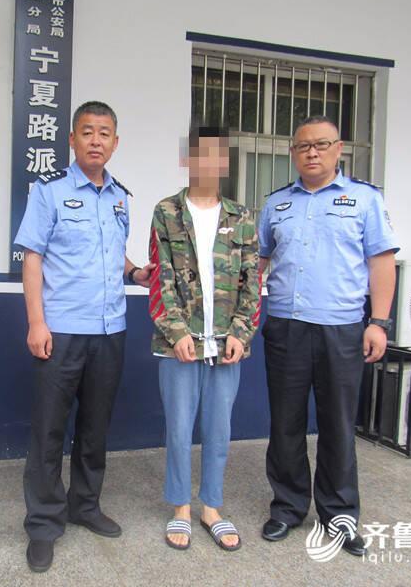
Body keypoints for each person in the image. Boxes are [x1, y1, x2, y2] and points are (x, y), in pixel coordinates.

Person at [14, 101, 154, 573]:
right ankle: (43, 524)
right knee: (49, 430)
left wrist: (134, 272)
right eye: (88, 131)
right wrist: (36, 322)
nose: (96, 140)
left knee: (95, 428)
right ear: (72, 139)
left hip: (110, 330)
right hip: (62, 332)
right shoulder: (49, 191)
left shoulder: (120, 198)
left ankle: (85, 505)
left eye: (105, 133)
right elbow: (32, 257)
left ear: (116, 142)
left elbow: (114, 252)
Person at [258, 116, 398, 555]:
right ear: (293, 153)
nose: (312, 152)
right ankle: (287, 507)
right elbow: (258, 261)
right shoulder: (276, 204)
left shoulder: (365, 200)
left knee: (338, 425)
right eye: (303, 146)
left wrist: (378, 322)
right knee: (285, 423)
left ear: (339, 150)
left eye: (321, 144)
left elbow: (381, 263)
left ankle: (339, 515)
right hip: (286, 326)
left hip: (342, 328)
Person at [148, 126, 261, 552]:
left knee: (219, 430)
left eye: (218, 156)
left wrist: (241, 334)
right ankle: (180, 507)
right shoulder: (167, 211)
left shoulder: (241, 217)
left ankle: (211, 507)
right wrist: (177, 331)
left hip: (226, 345)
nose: (209, 164)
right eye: (201, 155)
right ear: (187, 160)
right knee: (179, 430)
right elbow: (159, 278)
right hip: (178, 344)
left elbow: (253, 282)